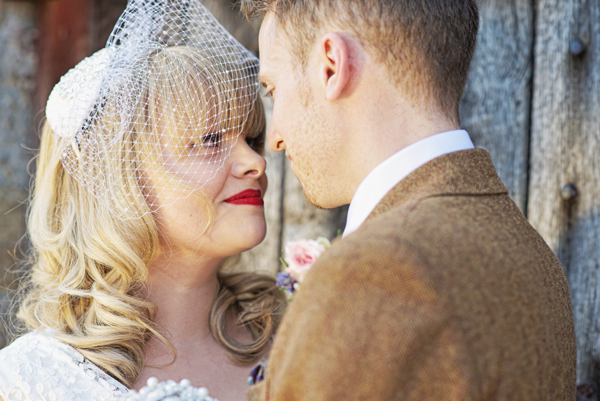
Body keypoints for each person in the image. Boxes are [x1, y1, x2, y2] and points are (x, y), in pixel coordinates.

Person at [241, 0, 577, 400]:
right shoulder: (532, 252)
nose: (275, 136)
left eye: (273, 89)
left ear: (331, 65)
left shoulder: (375, 270)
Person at [0, 1, 284, 400]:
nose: (255, 162)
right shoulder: (30, 380)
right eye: (209, 140)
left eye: (250, 139)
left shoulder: (299, 333)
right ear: (120, 178)